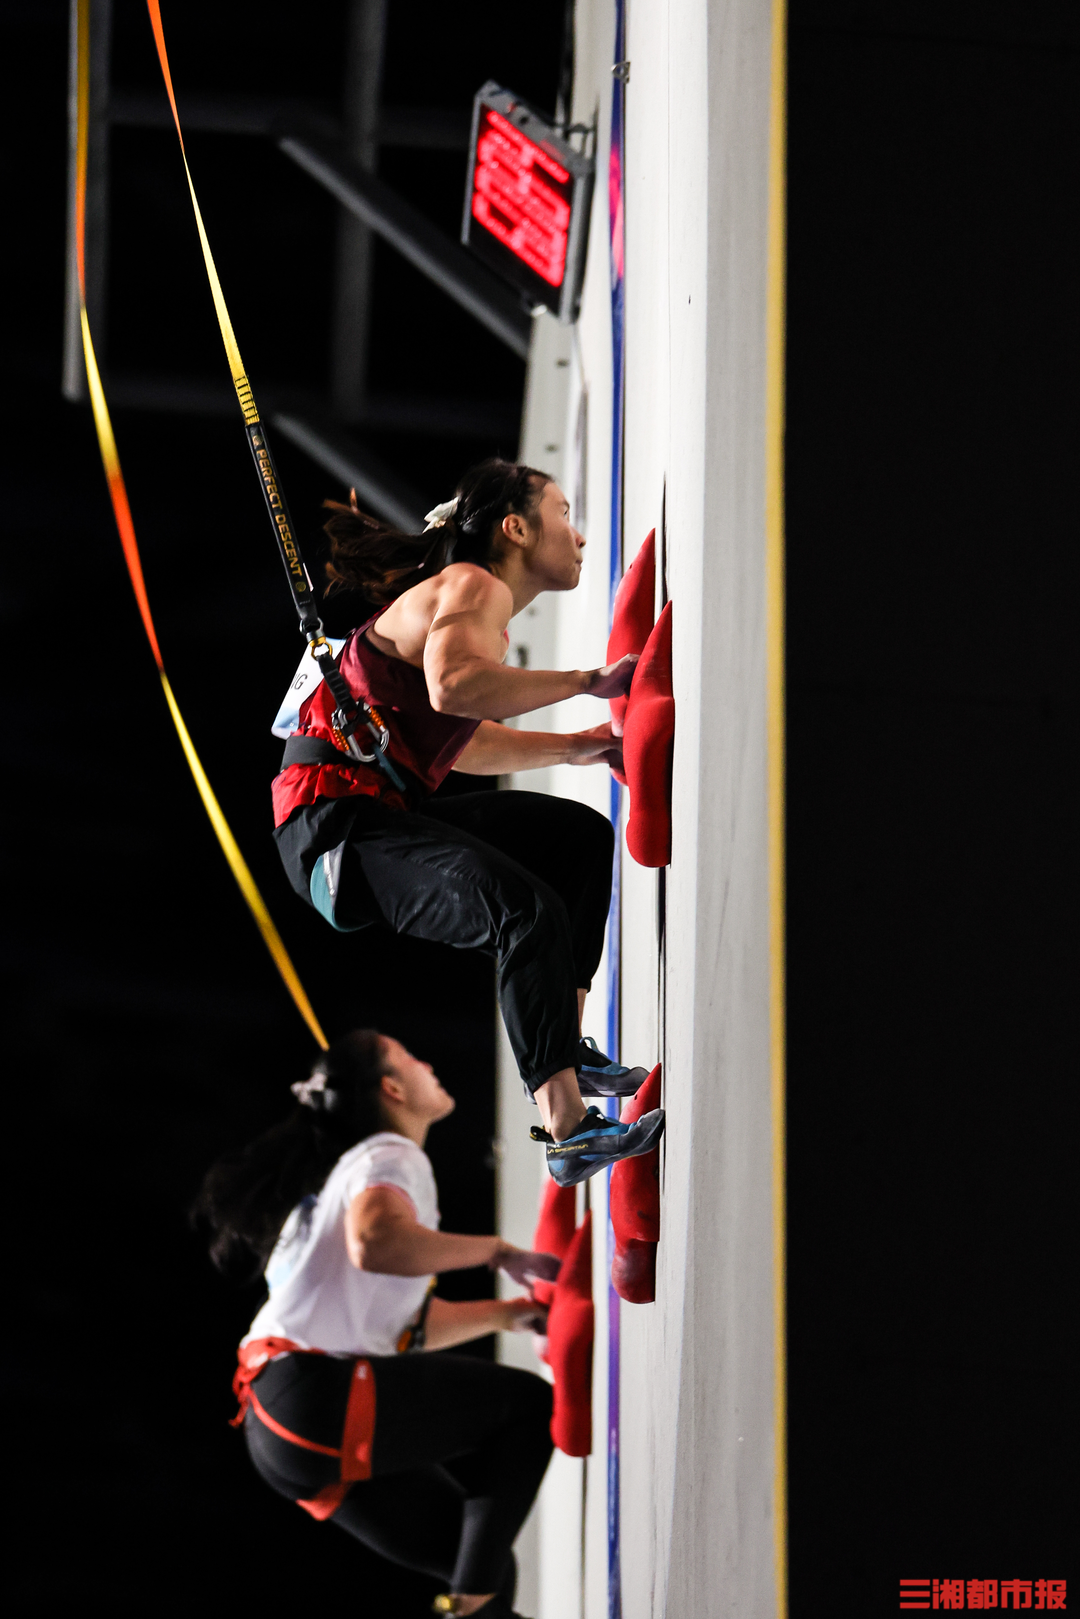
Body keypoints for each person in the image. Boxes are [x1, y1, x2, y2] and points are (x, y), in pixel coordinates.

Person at [271, 458, 664, 1186]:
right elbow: (454, 689)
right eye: (563, 514)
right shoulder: (474, 587)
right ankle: (567, 1131)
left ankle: (564, 1049)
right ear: (516, 528)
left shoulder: (474, 608)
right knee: (523, 909)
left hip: (377, 810)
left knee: (577, 841)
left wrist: (576, 747)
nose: (578, 535)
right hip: (333, 834)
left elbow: (459, 738)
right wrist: (589, 682)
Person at [196, 1030, 561, 1619]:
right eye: (411, 1058)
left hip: (277, 1431)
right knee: (525, 1410)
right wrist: (498, 1252)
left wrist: (511, 1315)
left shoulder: (335, 1188)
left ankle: (472, 1605)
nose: (428, 1063)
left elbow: (399, 1330)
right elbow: (376, 1243)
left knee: (477, 1561)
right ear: (392, 1089)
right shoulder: (387, 1154)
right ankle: (472, 1605)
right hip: (308, 1395)